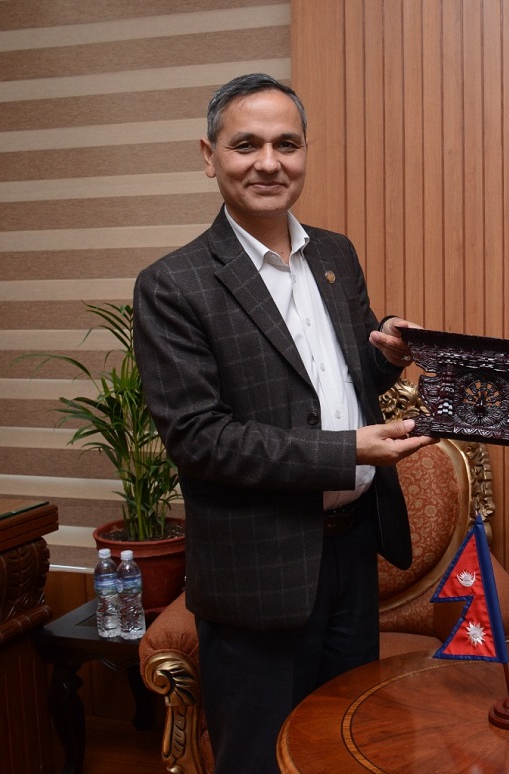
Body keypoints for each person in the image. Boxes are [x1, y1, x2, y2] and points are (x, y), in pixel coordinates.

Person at [133, 73, 433, 774]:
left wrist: (385, 353)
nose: (269, 162)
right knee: (261, 759)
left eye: (286, 144)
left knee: (346, 751)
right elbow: (200, 439)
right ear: (209, 156)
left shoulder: (334, 255)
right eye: (247, 145)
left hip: (352, 554)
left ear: (304, 153)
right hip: (257, 572)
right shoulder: (174, 285)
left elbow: (338, 380)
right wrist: (347, 450)